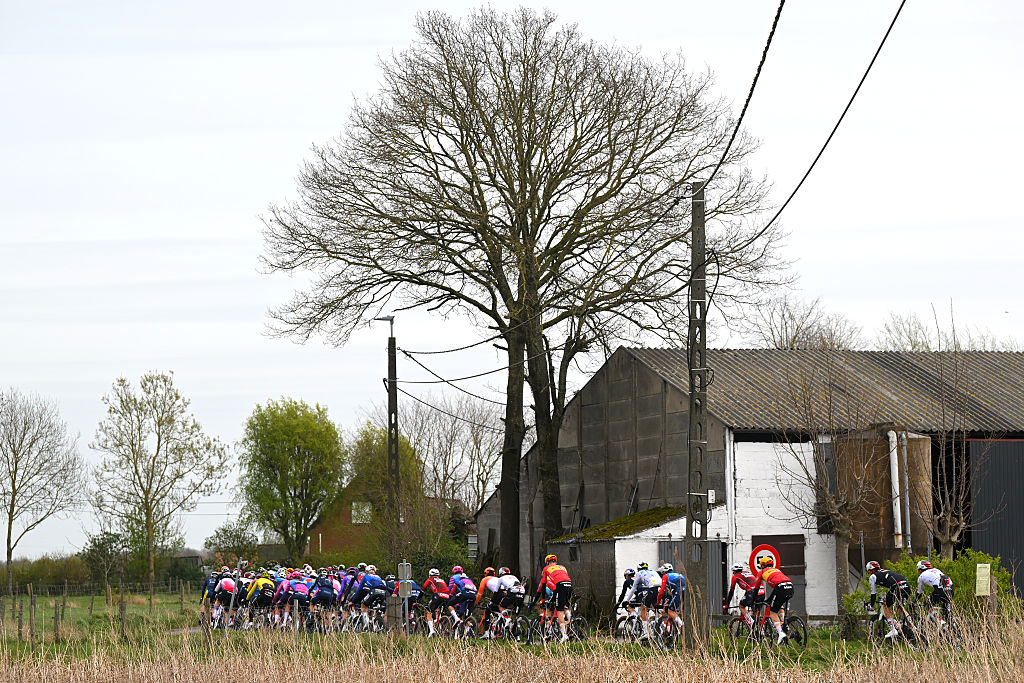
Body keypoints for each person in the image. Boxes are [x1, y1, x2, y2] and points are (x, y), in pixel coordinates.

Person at [865, 560, 914, 639]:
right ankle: (911, 625)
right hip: (906, 585)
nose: (869, 573)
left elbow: (873, 594)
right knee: (899, 607)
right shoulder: (885, 571)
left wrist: (871, 605)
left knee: (885, 605)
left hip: (896, 587)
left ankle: (892, 629)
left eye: (869, 572)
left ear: (871, 570)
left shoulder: (873, 577)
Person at [751, 556, 794, 645]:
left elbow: (756, 589)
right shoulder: (777, 570)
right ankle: (783, 623)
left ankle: (781, 633)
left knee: (773, 612)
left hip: (780, 587)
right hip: (790, 586)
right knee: (779, 604)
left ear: (762, 565)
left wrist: (753, 600)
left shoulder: (761, 572)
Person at [536, 554, 573, 642]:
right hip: (569, 585)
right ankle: (569, 619)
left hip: (558, 588)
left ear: (547, 563)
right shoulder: (562, 567)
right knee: (564, 606)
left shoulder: (546, 569)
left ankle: (564, 634)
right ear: (555, 562)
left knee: (557, 610)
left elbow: (544, 585)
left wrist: (543, 598)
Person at [621, 561, 661, 641]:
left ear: (638, 569)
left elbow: (633, 589)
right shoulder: (653, 571)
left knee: (643, 608)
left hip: (652, 589)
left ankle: (646, 633)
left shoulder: (640, 573)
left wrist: (627, 600)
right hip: (660, 590)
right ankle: (663, 624)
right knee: (654, 609)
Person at [915, 560, 954, 627]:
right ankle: (952, 626)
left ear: (921, 570)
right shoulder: (936, 570)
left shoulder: (921, 577)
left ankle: (941, 622)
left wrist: (914, 602)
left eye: (918, 570)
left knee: (928, 604)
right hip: (951, 590)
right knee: (946, 611)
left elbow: (919, 593)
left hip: (940, 591)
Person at [446, 565, 478, 630]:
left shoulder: (454, 577)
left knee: (449, 604)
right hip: (474, 595)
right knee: (467, 617)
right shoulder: (467, 578)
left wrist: (447, 596)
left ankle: (456, 618)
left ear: (454, 572)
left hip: (465, 593)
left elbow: (450, 588)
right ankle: (467, 632)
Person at [657, 563, 685, 634]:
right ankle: (671, 633)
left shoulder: (665, 576)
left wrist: (658, 602)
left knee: (669, 610)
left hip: (679, 592)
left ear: (664, 571)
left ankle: (682, 626)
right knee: (681, 611)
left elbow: (661, 591)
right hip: (686, 593)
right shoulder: (680, 575)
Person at [421, 568, 450, 636]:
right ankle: (438, 621)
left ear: (430, 575)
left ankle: (431, 631)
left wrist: (418, 598)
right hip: (447, 596)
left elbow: (423, 588)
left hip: (438, 595)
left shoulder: (430, 579)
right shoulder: (442, 580)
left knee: (429, 611)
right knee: (437, 609)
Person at [474, 567, 501, 636]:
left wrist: (475, 603)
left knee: (487, 611)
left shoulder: (485, 579)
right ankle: (500, 631)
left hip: (498, 595)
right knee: (499, 612)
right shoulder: (497, 579)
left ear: (486, 574)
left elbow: (479, 594)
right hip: (506, 594)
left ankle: (486, 633)